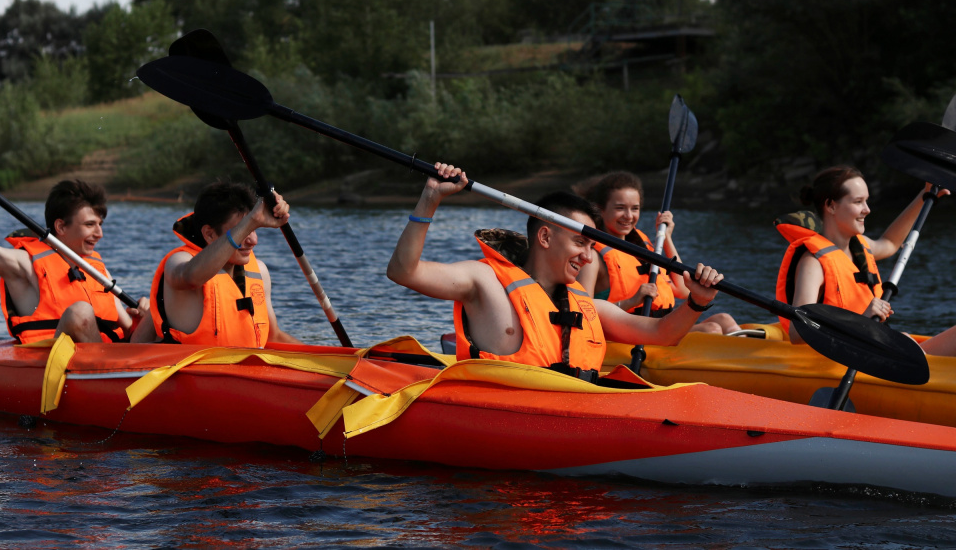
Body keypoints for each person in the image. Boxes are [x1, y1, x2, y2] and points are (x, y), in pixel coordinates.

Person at [386, 163, 725, 380]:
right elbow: (404, 271)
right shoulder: (484, 280)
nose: (589, 258)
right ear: (546, 236)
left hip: (575, 414)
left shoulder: (587, 305)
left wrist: (697, 302)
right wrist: (430, 199)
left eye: (592, 246)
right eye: (580, 243)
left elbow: (664, 335)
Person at [0, 167, 147, 344]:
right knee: (80, 313)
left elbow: (130, 329)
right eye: (89, 225)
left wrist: (146, 314)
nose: (99, 234)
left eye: (100, 225)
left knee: (159, 308)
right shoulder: (24, 264)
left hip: (111, 356)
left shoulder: (96, 268)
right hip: (55, 366)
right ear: (60, 226)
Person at [777, 165, 956, 355]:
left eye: (867, 201)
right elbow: (797, 333)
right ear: (831, 205)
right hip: (844, 358)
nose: (867, 210)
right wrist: (859, 320)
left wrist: (924, 196)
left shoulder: (859, 247)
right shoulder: (812, 264)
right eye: (858, 202)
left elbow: (890, 243)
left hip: (873, 349)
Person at [132, 181, 299, 347]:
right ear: (209, 234)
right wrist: (251, 220)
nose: (253, 240)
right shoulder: (179, 262)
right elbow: (190, 277)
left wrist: (324, 358)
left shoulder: (260, 271)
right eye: (243, 229)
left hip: (245, 367)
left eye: (254, 229)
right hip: (190, 367)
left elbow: (273, 337)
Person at [577, 171, 740, 335]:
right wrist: (632, 301)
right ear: (600, 210)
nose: (628, 216)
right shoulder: (593, 256)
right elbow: (582, 312)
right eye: (620, 208)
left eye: (635, 208)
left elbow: (682, 290)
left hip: (660, 327)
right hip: (628, 333)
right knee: (712, 329)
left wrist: (666, 237)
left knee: (724, 320)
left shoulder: (641, 246)